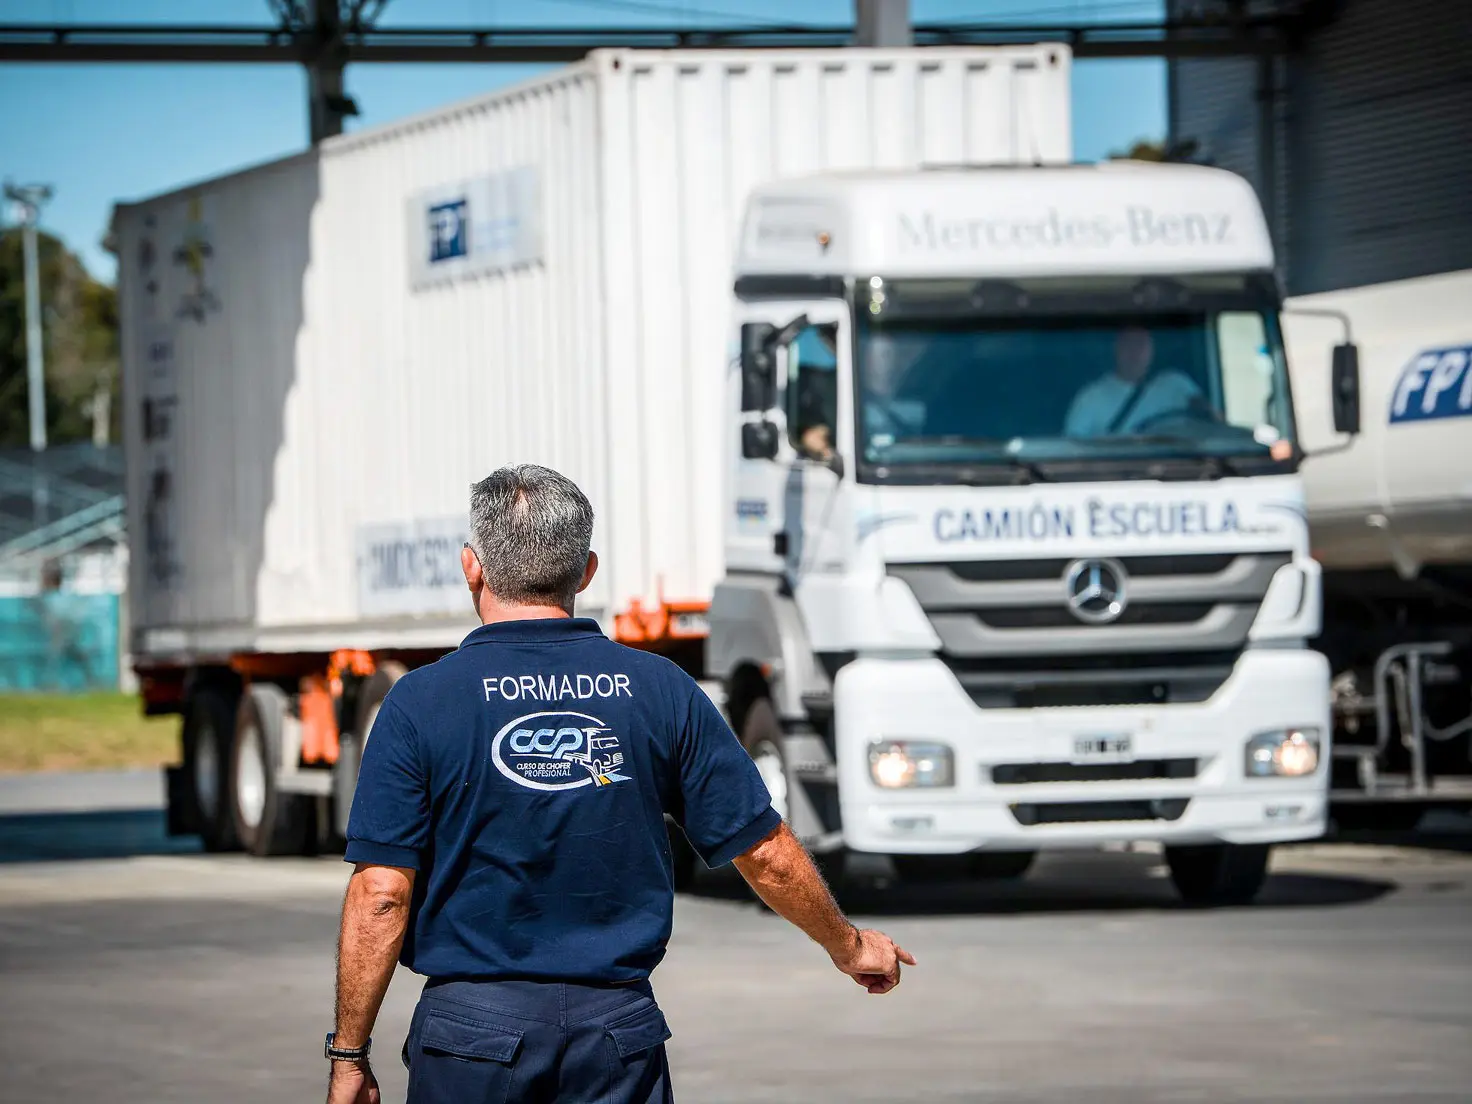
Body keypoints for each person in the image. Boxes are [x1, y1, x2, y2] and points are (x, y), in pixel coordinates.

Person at [327, 464, 914, 1104]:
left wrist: (350, 1055)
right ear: (586, 570)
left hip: (471, 1042)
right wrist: (849, 946)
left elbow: (383, 892)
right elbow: (764, 851)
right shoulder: (660, 690)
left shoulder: (419, 703)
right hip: (615, 1039)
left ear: (473, 566)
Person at [1064, 325, 1205, 437]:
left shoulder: (1177, 385)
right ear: (1116, 348)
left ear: (1152, 349)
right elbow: (1073, 454)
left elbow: (1213, 422)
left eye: (1141, 343)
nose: (1135, 351)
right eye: (1128, 343)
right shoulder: (1090, 398)